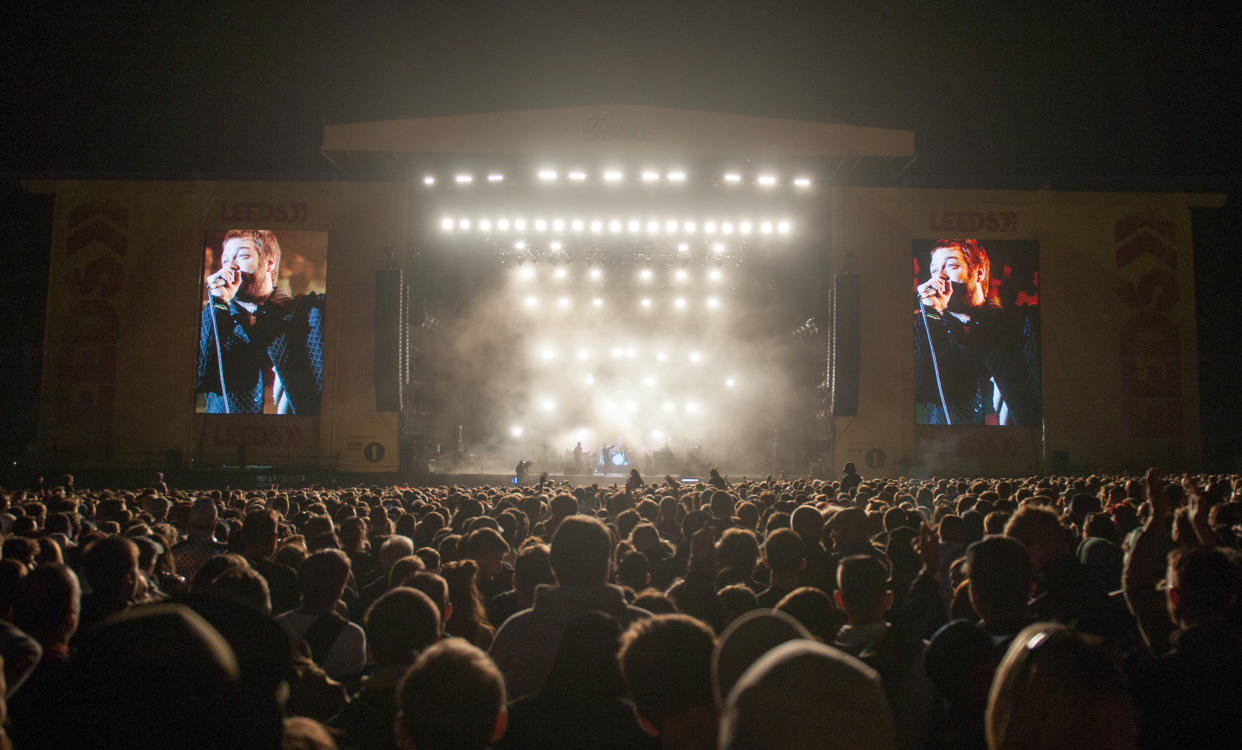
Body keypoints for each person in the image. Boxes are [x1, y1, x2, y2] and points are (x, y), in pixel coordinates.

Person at [913, 238, 1040, 426]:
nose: (938, 278)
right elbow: (921, 389)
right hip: (949, 448)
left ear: (978, 273)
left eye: (951, 266)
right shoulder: (930, 327)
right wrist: (932, 315)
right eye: (933, 270)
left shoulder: (1018, 325)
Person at [197, 229, 324, 415]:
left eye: (243, 256)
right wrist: (218, 305)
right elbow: (199, 380)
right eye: (225, 260)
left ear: (269, 263)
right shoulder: (215, 315)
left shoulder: (305, 312)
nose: (230, 267)